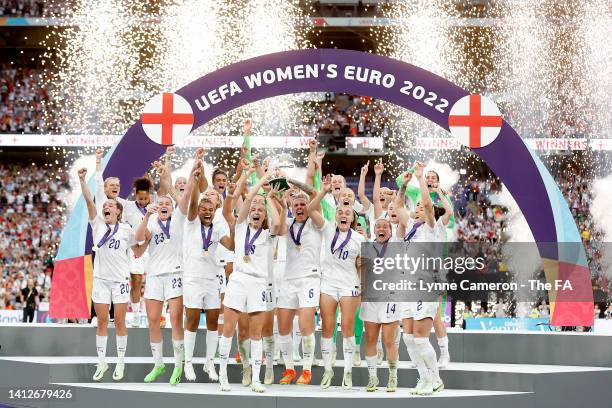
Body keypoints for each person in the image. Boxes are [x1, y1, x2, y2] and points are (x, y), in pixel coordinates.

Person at [217, 165, 281, 393]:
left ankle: (256, 378)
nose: (256, 210)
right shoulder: (242, 226)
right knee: (228, 328)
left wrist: (270, 199)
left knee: (256, 334)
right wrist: (262, 180)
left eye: (260, 210)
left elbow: (277, 222)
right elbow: (247, 201)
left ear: (263, 215)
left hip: (259, 283)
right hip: (238, 279)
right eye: (254, 208)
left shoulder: (268, 235)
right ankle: (222, 375)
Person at [79, 167, 143, 382]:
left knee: (121, 323)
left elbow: (139, 249)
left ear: (117, 211)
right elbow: (89, 201)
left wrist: (151, 234)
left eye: (110, 206)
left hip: (120, 282)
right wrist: (81, 180)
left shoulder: (126, 230)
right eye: (104, 205)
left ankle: (121, 362)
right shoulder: (97, 224)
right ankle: (102, 361)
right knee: (102, 322)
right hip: (100, 281)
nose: (106, 206)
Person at [135, 165, 193, 386]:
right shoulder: (151, 220)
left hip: (175, 273)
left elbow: (184, 196)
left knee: (176, 319)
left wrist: (168, 175)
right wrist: (146, 216)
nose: (164, 206)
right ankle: (158, 363)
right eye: (161, 204)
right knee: (152, 320)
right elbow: (140, 237)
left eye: (168, 203)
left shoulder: (179, 219)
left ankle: (178, 364)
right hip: (155, 276)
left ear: (173, 206)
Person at [308, 174, 365, 390]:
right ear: (336, 215)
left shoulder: (360, 239)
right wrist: (322, 191)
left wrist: (363, 287)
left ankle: (348, 372)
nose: (343, 214)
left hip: (350, 286)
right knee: (327, 329)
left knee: (348, 330)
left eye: (347, 213)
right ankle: (328, 371)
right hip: (328, 285)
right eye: (340, 212)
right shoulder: (327, 228)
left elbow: (363, 268)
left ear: (352, 218)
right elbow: (313, 210)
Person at [396, 162, 448, 395]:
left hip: (428, 284)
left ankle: (435, 379)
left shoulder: (432, 227)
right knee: (407, 337)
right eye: (414, 206)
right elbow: (398, 208)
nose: (417, 208)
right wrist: (403, 187)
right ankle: (424, 378)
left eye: (420, 206)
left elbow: (428, 203)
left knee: (419, 337)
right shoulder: (411, 229)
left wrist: (419, 178)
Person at [182, 159, 231, 382]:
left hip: (213, 278)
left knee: (213, 319)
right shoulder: (191, 222)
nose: (207, 212)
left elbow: (229, 244)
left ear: (215, 210)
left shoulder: (219, 224)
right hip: (193, 278)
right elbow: (192, 204)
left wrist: (240, 236)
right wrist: (194, 179)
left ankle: (209, 364)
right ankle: (188, 363)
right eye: (204, 209)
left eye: (211, 209)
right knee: (191, 319)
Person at [276, 188, 322, 385]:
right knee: (283, 327)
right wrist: (280, 197)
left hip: (309, 278)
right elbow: (277, 218)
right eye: (296, 205)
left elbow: (313, 193)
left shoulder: (315, 223)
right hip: (288, 279)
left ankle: (306, 370)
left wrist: (293, 183)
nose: (300, 207)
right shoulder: (287, 223)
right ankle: (289, 369)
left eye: (303, 204)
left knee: (305, 326)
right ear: (292, 209)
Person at [360, 218, 400, 392]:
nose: (382, 229)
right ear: (374, 230)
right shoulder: (367, 247)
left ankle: (392, 377)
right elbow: (363, 272)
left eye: (385, 227)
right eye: (378, 226)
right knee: (370, 339)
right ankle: (373, 378)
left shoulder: (397, 245)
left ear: (390, 231)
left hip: (390, 298)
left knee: (389, 340)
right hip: (370, 299)